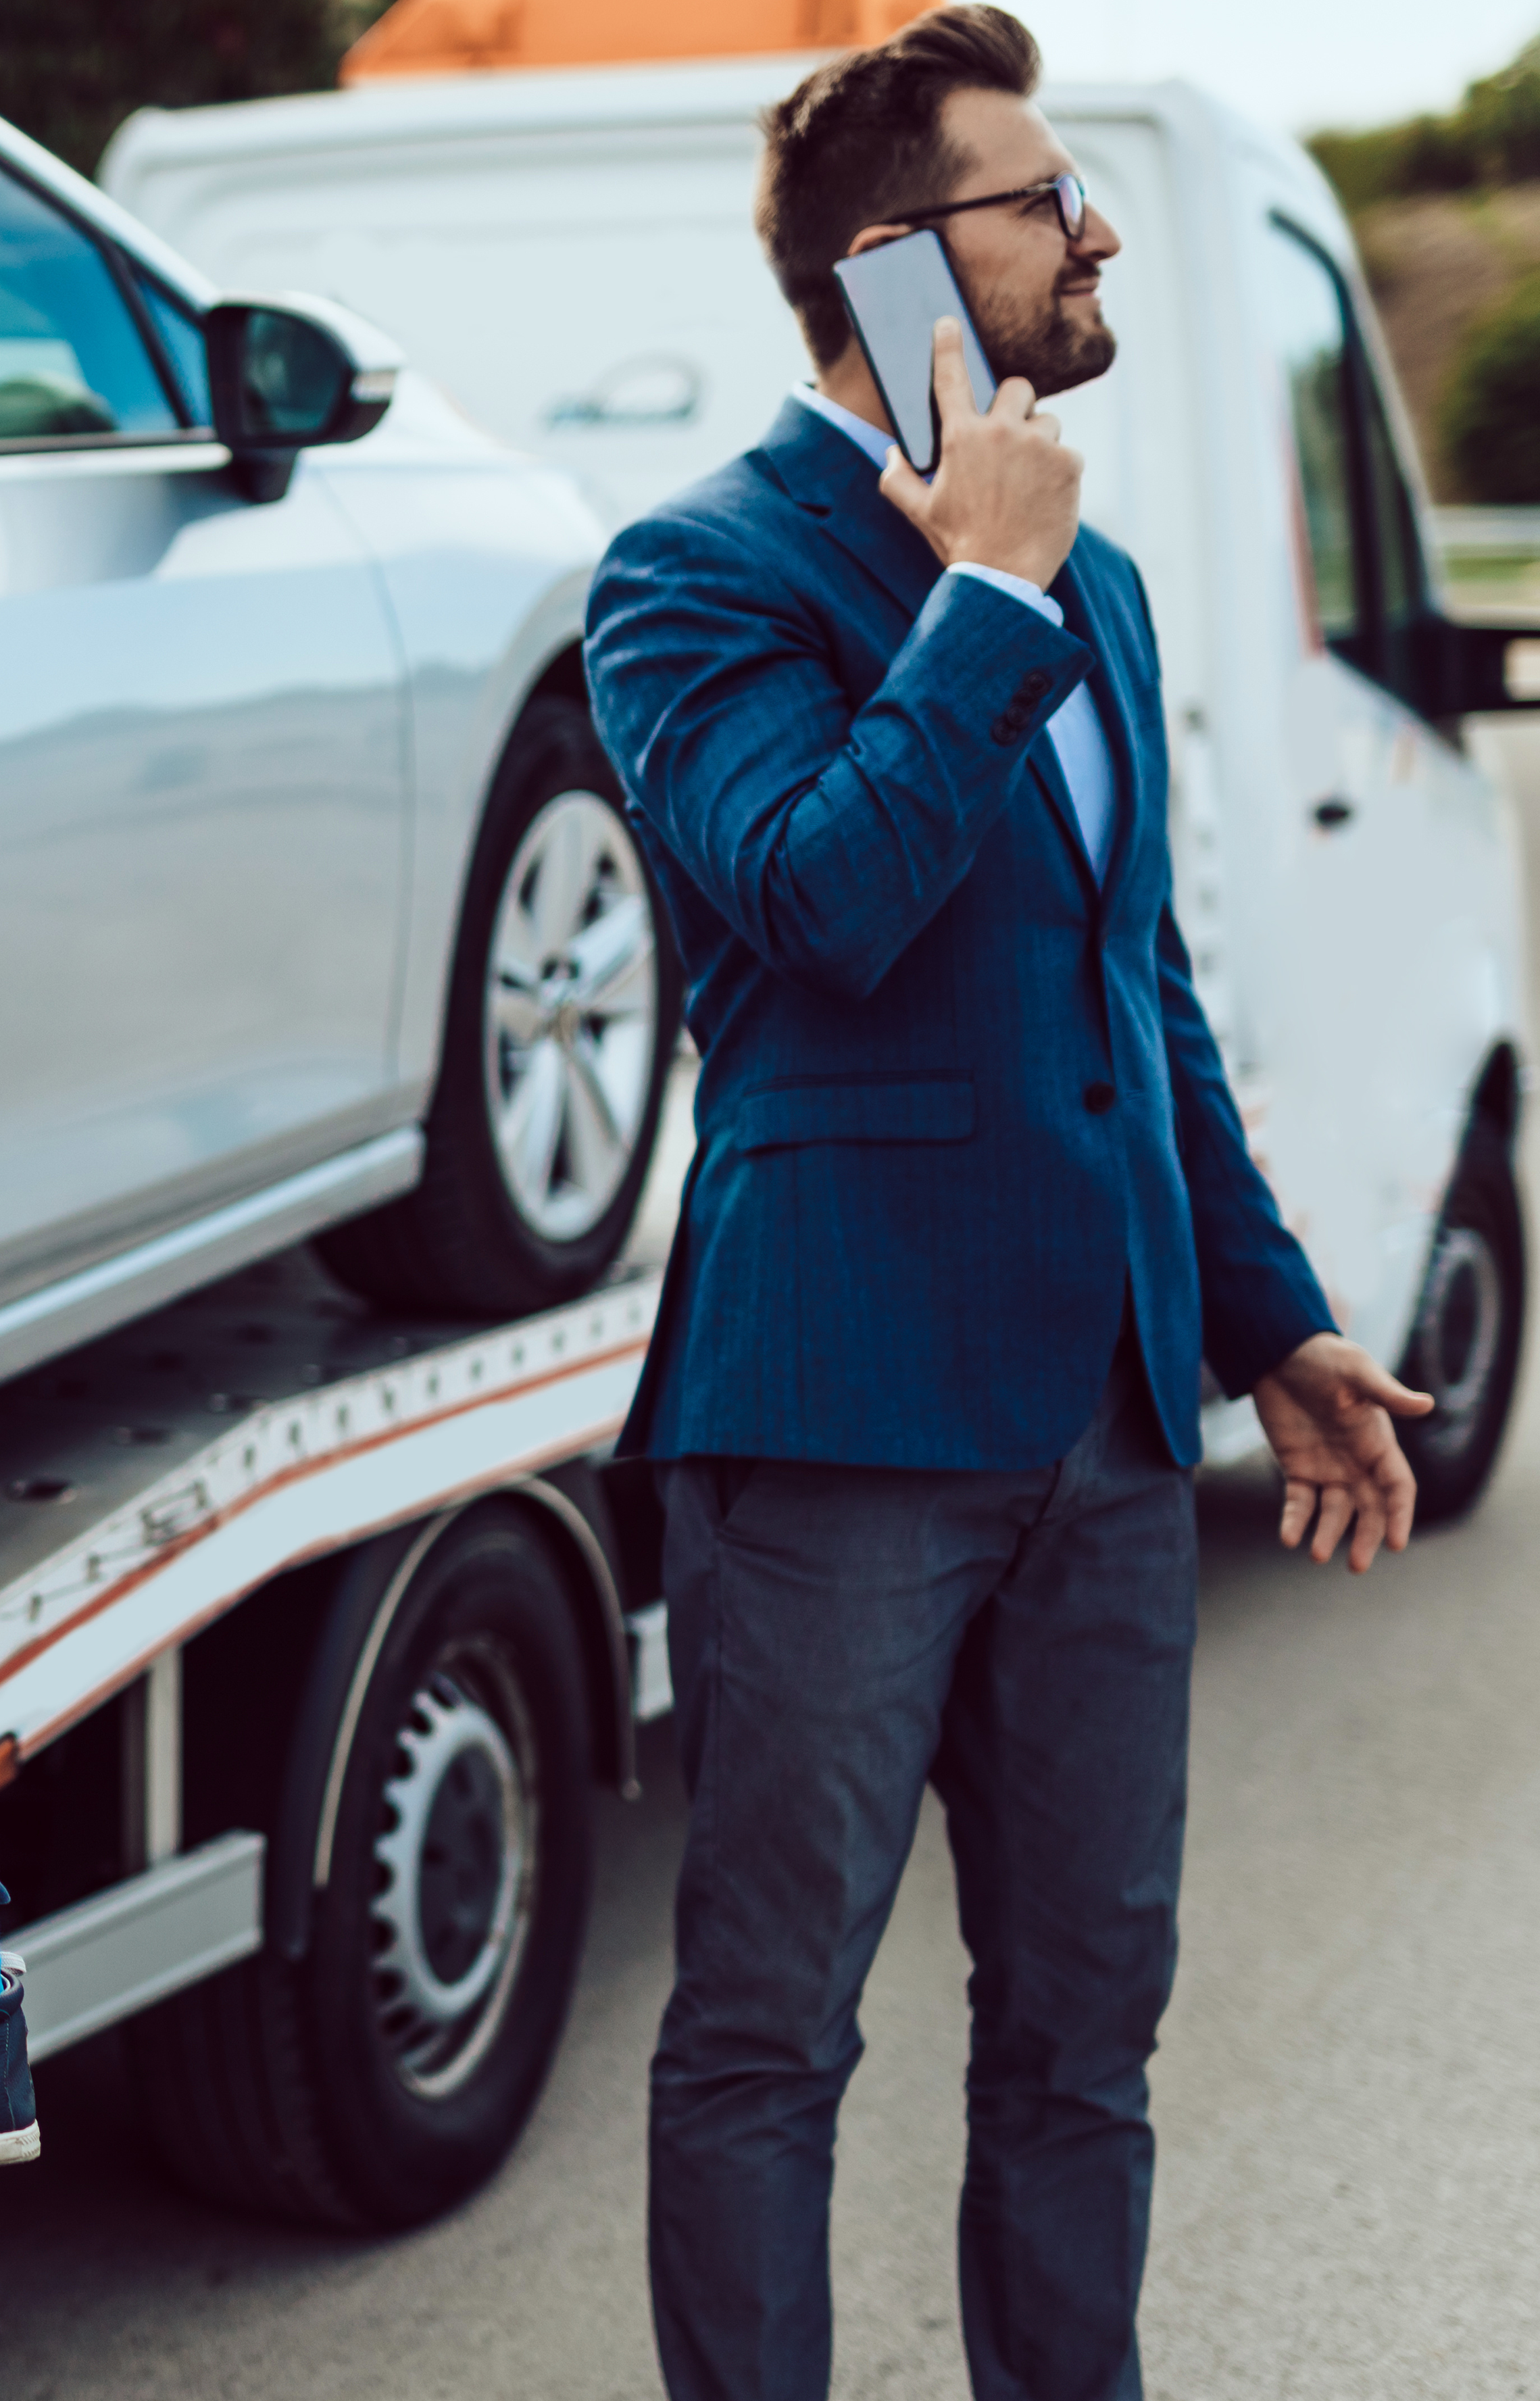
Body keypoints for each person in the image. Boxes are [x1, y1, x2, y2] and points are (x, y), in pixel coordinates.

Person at [579, 13, 1433, 2398]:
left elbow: (1133, 996)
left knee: (1085, 2036)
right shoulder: (693, 574)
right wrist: (980, 602)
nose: (1099, 234)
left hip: (1112, 1434)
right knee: (771, 2032)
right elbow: (816, 901)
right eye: (1046, 200)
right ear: (893, 264)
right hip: (840, 1414)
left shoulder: (1105, 585)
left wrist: (1272, 1324)